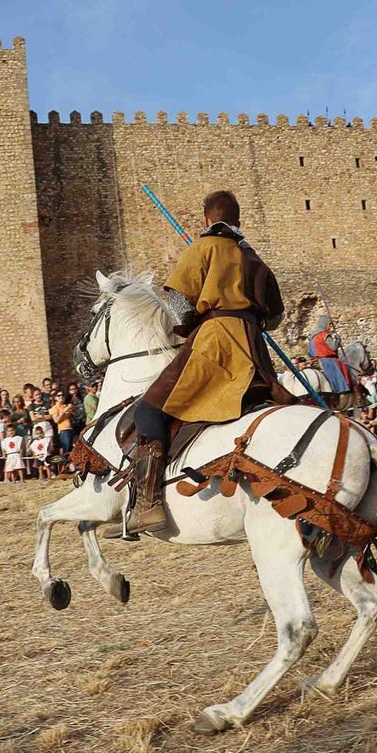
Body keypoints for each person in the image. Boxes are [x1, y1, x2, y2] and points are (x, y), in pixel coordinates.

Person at [107, 190, 295, 539]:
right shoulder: (255, 260)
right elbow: (277, 318)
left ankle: (147, 505)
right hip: (254, 351)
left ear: (207, 220)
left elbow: (178, 302)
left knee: (149, 411)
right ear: (238, 221)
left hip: (214, 347)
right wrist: (250, 318)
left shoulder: (201, 249)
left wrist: (198, 320)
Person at [308, 315, 351, 403]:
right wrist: (338, 340)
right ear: (324, 324)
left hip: (314, 361)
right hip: (327, 361)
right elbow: (334, 347)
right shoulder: (324, 334)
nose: (330, 327)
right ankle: (340, 389)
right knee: (343, 369)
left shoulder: (311, 337)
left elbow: (309, 351)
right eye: (329, 324)